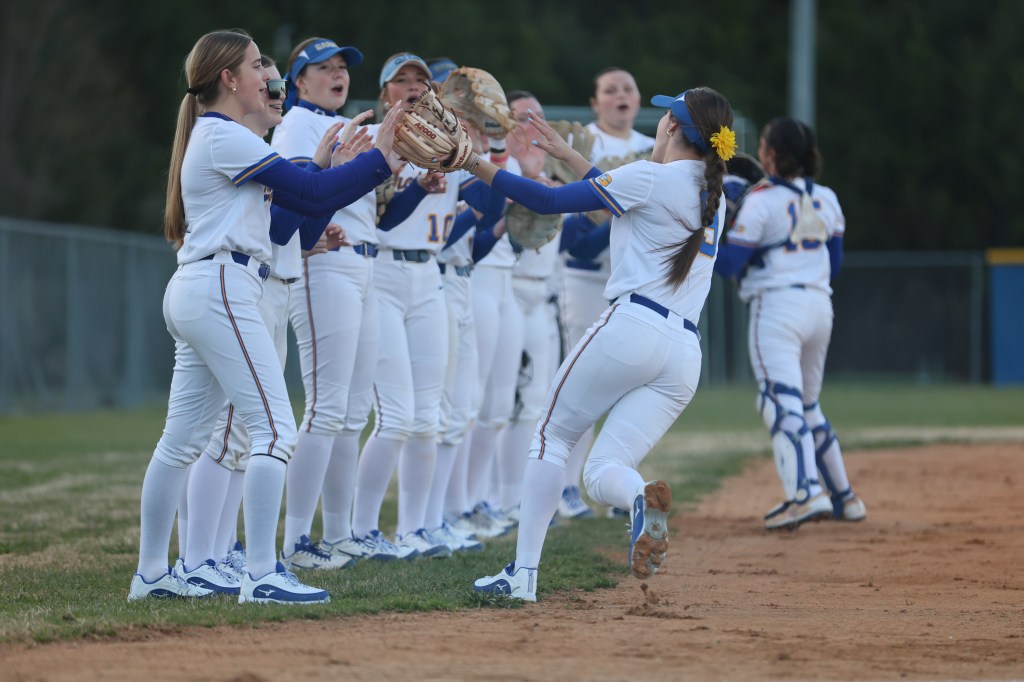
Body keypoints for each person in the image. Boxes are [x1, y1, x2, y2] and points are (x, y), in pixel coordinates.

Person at [128, 29, 404, 604]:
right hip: (222, 286)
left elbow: (292, 218)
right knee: (274, 429)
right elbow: (308, 190)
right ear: (229, 79)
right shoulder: (223, 133)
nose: (266, 76)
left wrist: (344, 166)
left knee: (180, 443)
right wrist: (381, 157)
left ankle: (152, 575)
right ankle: (259, 573)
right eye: (257, 65)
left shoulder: (220, 135)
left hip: (207, 284)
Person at [452, 86, 736, 601]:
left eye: (665, 116)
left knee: (549, 436)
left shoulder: (651, 176)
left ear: (672, 127)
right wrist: (572, 157)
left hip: (633, 326)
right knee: (603, 471)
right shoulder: (711, 194)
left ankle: (523, 575)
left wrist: (473, 162)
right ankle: (639, 496)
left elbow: (547, 201)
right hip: (683, 354)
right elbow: (632, 197)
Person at [270, 37, 433, 569]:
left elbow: (371, 204)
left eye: (342, 67)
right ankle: (297, 540)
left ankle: (339, 535)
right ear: (299, 80)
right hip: (325, 263)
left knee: (352, 412)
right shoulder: (297, 123)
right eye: (325, 67)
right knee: (325, 407)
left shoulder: (344, 124)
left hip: (364, 264)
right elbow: (299, 196)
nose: (338, 74)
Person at [348, 53, 504, 560]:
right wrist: (417, 190)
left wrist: (486, 145)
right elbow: (383, 222)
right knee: (396, 416)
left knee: (429, 418)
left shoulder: (447, 140)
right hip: (384, 273)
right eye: (402, 79)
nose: (413, 85)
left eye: (420, 79)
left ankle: (416, 528)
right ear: (385, 92)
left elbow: (491, 205)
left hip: (429, 278)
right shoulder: (373, 140)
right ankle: (362, 529)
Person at [713, 117, 867, 530]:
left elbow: (729, 265)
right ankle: (845, 498)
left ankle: (806, 494)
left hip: (777, 308)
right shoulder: (827, 197)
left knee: (779, 402)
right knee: (807, 405)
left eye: (764, 145)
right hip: (820, 307)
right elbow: (834, 263)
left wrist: (711, 227)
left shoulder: (762, 201)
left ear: (771, 155)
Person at [559, 67, 656, 520]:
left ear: (638, 99)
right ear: (594, 103)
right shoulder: (584, 144)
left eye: (627, 88)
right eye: (610, 90)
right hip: (585, 278)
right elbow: (572, 231)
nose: (620, 95)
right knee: (582, 385)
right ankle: (566, 486)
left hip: (634, 282)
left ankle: (620, 485)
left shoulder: (651, 147)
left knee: (630, 388)